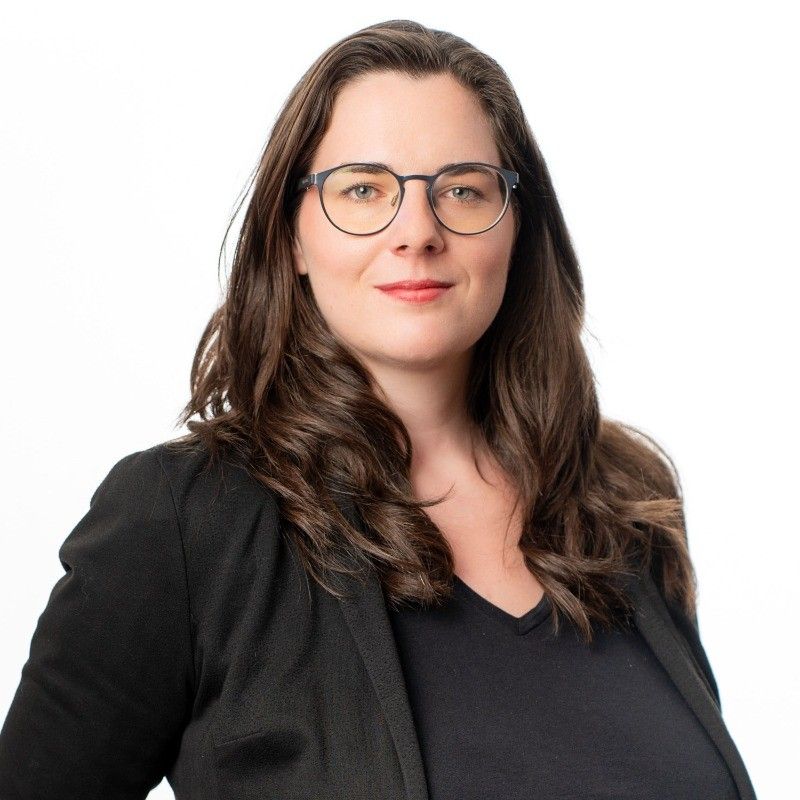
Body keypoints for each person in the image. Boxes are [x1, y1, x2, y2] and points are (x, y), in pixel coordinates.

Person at [0, 18, 757, 800]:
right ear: (293, 236)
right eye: (363, 189)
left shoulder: (624, 503)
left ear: (517, 225)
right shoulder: (187, 523)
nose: (417, 232)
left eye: (462, 189)